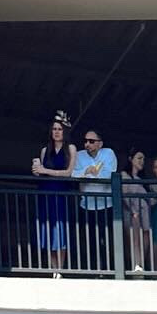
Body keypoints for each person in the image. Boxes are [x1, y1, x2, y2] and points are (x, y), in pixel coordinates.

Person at [32, 112, 77, 276]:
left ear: (65, 131)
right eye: (54, 129)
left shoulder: (71, 148)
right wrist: (37, 171)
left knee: (60, 230)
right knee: (48, 231)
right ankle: (54, 269)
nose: (57, 132)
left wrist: (46, 170)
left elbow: (69, 172)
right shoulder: (45, 150)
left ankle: (60, 268)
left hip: (61, 193)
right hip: (46, 192)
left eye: (59, 129)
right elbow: (41, 173)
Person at [73, 126, 118, 274]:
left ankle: (110, 269)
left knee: (108, 239)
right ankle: (94, 270)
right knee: (90, 239)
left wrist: (87, 174)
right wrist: (87, 171)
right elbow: (73, 174)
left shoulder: (108, 153)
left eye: (91, 141)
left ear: (100, 143)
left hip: (106, 204)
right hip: (87, 205)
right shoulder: (79, 155)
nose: (87, 144)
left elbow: (108, 175)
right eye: (86, 141)